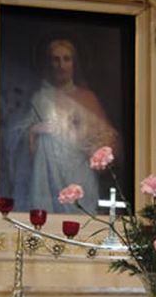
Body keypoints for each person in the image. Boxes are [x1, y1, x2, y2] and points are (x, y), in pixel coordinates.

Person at [23, 38, 119, 213]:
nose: (61, 65)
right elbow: (20, 145)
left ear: (74, 63)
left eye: (66, 59)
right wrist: (35, 130)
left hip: (80, 173)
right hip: (47, 174)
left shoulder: (87, 97)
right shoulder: (40, 98)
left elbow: (107, 137)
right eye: (56, 59)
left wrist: (91, 143)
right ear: (49, 63)